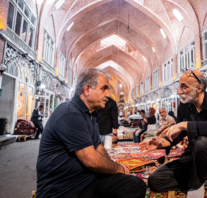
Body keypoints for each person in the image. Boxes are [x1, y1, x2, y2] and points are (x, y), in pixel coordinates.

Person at [36, 68, 146, 198]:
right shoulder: (70, 113)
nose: (108, 95)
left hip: (84, 181)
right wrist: (119, 169)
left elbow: (98, 147)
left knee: (134, 184)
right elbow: (91, 160)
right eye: (104, 89)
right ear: (87, 89)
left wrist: (115, 168)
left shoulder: (91, 113)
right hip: (64, 189)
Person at [140, 69, 207, 198]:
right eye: (179, 86)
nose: (179, 91)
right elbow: (177, 137)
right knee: (155, 180)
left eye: (184, 87)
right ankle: (202, 179)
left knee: (202, 142)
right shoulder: (184, 107)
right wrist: (159, 143)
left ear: (198, 88)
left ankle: (196, 185)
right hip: (192, 157)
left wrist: (185, 125)